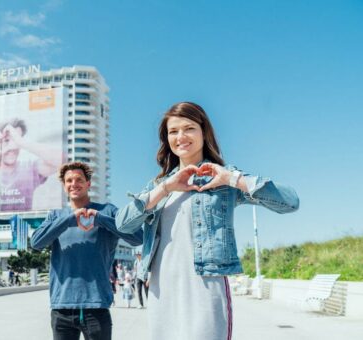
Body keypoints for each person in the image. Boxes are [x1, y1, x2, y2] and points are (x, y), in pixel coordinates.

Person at [115, 102, 299, 340]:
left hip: (205, 286)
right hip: (162, 289)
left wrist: (233, 179)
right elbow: (122, 225)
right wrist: (165, 188)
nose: (181, 136)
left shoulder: (223, 178)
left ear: (204, 132)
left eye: (189, 128)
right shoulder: (158, 186)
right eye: (173, 131)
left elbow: (290, 202)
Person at [30, 162, 143, 340]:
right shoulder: (56, 216)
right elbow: (36, 242)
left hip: (96, 307)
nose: (74, 184)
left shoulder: (108, 211)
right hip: (61, 308)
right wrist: (69, 220)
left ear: (88, 183)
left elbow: (138, 237)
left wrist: (100, 219)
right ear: (64, 185)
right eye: (69, 180)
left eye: (79, 179)